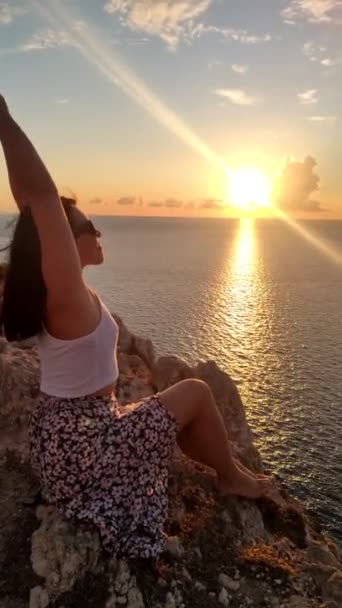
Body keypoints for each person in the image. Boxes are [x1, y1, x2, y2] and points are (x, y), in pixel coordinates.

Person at [0, 94, 275, 559]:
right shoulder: (65, 295)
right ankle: (231, 477)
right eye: (90, 226)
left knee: (166, 409)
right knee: (195, 392)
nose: (100, 232)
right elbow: (42, 199)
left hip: (66, 441)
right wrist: (4, 121)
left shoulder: (58, 293)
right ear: (67, 241)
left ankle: (219, 468)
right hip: (84, 443)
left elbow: (31, 204)